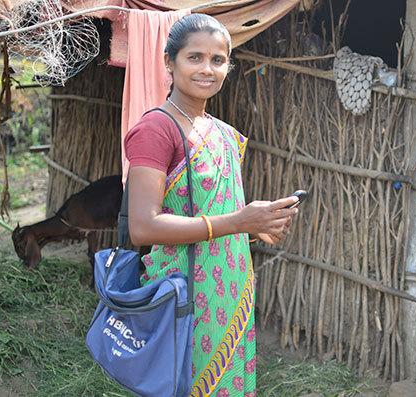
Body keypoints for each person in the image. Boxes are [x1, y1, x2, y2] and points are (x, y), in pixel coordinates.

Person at [124, 13, 299, 396]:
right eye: (195, 57)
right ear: (169, 62)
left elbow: (217, 214)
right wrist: (239, 222)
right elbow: (143, 226)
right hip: (183, 295)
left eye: (218, 60)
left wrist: (258, 227)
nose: (207, 69)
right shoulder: (156, 130)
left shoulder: (222, 133)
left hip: (231, 290)